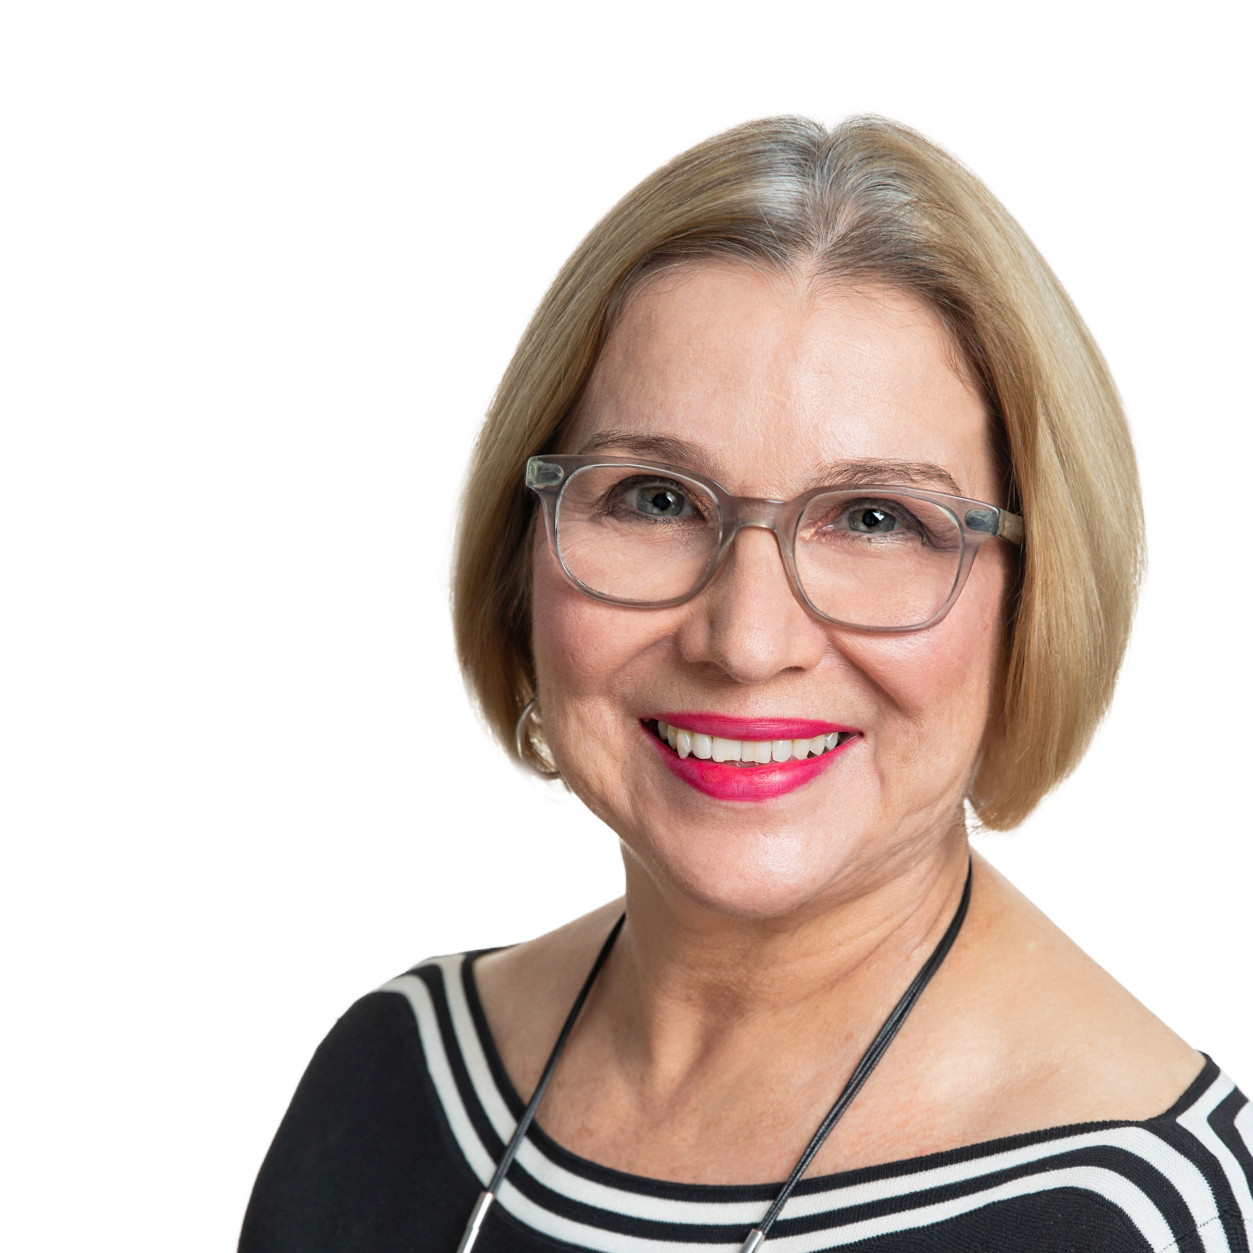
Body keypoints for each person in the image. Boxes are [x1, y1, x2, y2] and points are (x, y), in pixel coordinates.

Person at [238, 116, 1253, 1251]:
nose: (747, 638)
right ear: (521, 554)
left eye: (876, 518)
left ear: (1035, 593)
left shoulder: (1140, 1213)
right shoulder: (392, 1084)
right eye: (656, 499)